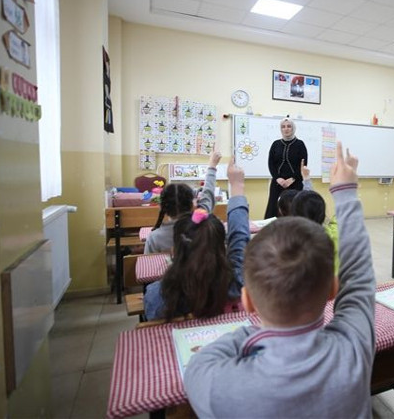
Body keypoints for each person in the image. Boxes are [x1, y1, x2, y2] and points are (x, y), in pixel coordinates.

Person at [184, 142, 375, 417]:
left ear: (247, 299)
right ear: (334, 289)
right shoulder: (354, 347)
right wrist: (345, 192)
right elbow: (359, 273)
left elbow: (202, 361)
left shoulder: (216, 382)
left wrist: (257, 334)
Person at [143, 155, 249, 321]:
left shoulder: (158, 295)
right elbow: (239, 238)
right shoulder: (233, 283)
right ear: (218, 246)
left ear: (175, 251)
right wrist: (237, 185)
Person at [145, 151, 220, 254]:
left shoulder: (155, 238)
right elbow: (208, 192)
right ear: (193, 205)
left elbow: (149, 267)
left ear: (162, 208)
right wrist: (212, 165)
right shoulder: (202, 227)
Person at [292, 159, 340, 274]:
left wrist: (306, 179)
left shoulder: (291, 239)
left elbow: (306, 204)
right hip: (336, 287)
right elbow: (343, 209)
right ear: (322, 212)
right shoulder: (336, 232)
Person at [264, 117, 308, 219]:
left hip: (295, 184)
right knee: (273, 210)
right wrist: (277, 178)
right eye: (283, 127)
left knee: (294, 210)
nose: (286, 129)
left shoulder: (300, 144)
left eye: (289, 126)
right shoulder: (276, 144)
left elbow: (303, 165)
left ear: (293, 128)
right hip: (277, 183)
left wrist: (292, 179)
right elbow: (271, 163)